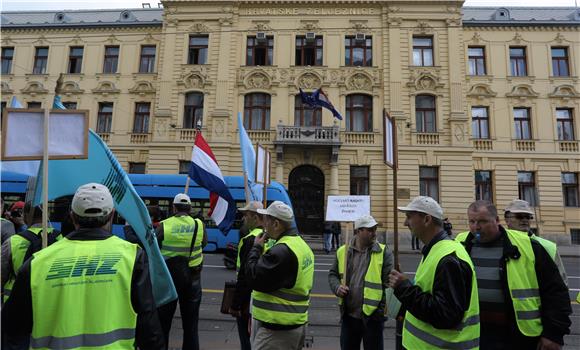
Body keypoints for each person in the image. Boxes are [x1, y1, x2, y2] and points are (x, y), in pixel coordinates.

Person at [2, 183, 164, 349]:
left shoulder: (38, 262)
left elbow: (13, 328)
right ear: (112, 215)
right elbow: (149, 328)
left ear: (72, 216)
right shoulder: (132, 256)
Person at [456, 200, 571, 349]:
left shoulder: (528, 246)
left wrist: (553, 334)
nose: (477, 227)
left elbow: (555, 292)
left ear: (497, 220)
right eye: (472, 221)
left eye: (483, 221)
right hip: (473, 333)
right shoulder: (460, 244)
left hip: (518, 337)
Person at [389, 196, 480, 349]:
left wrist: (403, 288)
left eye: (409, 217)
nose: (405, 223)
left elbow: (445, 315)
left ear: (426, 220)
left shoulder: (448, 258)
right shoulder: (436, 250)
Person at [246, 201, 314, 350]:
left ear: (276, 224)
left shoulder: (281, 251)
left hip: (276, 331)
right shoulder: (302, 246)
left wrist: (256, 248)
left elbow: (252, 277)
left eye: (266, 220)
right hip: (295, 325)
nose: (264, 225)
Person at [328, 214, 393, 350]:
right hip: (349, 316)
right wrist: (337, 287)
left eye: (375, 229)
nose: (374, 233)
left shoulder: (383, 252)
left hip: (372, 318)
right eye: (370, 230)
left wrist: (379, 312)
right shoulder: (343, 251)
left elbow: (389, 285)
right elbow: (333, 274)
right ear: (358, 231)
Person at [156, 193, 207, 350]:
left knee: (163, 324)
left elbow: (155, 249)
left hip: (169, 280)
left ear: (174, 207)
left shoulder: (163, 225)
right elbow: (203, 243)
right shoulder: (199, 225)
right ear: (190, 208)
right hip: (193, 279)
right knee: (191, 326)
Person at [2, 204, 61, 303]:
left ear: (25, 216)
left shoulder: (13, 241)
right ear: (47, 214)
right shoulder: (61, 238)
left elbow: (1, 274)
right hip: (50, 301)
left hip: (15, 302)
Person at [504, 199, 568, 285]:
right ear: (507, 219)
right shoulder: (500, 243)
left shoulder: (547, 246)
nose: (524, 220)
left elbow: (562, 281)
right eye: (519, 216)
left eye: (528, 217)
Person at [229, 201, 264, 350]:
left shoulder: (249, 240)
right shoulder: (270, 237)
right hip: (263, 300)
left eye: (246, 216)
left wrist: (235, 304)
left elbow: (243, 276)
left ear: (256, 218)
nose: (243, 219)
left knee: (246, 340)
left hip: (247, 301)